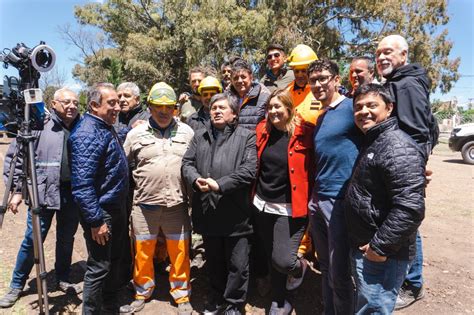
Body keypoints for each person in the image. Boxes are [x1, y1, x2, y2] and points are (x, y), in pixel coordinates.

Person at [345, 83, 426, 314]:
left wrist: (380, 248)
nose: (364, 112)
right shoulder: (374, 141)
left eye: (372, 105)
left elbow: (410, 208)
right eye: (358, 107)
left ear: (389, 108)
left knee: (374, 309)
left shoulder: (397, 145)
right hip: (368, 247)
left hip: (382, 254)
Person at [0, 88, 81, 308]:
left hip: (72, 195)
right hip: (42, 193)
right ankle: (16, 285)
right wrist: (16, 191)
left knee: (66, 239)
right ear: (53, 103)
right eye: (66, 102)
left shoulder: (83, 127)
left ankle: (62, 277)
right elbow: (16, 160)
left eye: (75, 102)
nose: (72, 106)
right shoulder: (37, 126)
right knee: (32, 239)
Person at [120, 82, 194, 314]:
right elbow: (122, 166)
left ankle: (181, 296)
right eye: (158, 106)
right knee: (142, 253)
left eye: (168, 107)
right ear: (149, 107)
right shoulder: (135, 133)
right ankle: (142, 292)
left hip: (177, 206)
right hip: (144, 206)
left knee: (180, 253)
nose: (163, 112)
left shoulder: (187, 132)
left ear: (175, 109)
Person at [376, 34, 438, 309]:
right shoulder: (396, 83)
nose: (382, 57)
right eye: (378, 53)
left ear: (403, 55)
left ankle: (412, 284)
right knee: (401, 222)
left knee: (407, 224)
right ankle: (405, 278)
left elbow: (417, 132)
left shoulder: (407, 84)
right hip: (398, 167)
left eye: (388, 52)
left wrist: (413, 169)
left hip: (403, 170)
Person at [182, 93, 257, 315]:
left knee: (237, 264)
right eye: (214, 107)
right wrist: (195, 179)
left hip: (236, 214)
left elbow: (248, 170)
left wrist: (220, 184)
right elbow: (187, 163)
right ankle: (216, 299)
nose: (216, 111)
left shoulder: (246, 137)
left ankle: (234, 304)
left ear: (234, 114)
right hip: (207, 211)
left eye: (222, 108)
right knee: (214, 262)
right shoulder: (200, 136)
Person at [69, 83, 129, 314]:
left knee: (113, 259)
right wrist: (96, 221)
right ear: (94, 106)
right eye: (111, 103)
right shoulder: (87, 133)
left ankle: (110, 304)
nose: (118, 107)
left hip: (115, 206)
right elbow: (82, 186)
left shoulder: (104, 127)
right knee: (99, 266)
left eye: (118, 102)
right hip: (101, 211)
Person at [308, 59, 361, 314]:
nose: (317, 84)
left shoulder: (352, 109)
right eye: (313, 81)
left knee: (339, 270)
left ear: (337, 80)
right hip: (317, 198)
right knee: (325, 266)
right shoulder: (322, 116)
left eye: (323, 78)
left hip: (339, 200)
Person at [253, 89, 314, 314]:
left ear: (289, 108)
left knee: (284, 260)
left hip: (290, 208)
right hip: (261, 204)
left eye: (278, 106)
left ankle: (300, 267)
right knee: (272, 256)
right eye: (270, 107)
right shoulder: (262, 130)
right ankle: (279, 301)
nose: (273, 111)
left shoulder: (306, 132)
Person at [229, 59, 271, 130]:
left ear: (251, 77)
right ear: (231, 81)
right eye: (236, 78)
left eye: (243, 77)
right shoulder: (226, 99)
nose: (239, 81)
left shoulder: (264, 98)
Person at [286, 44, 322, 125]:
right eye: (297, 71)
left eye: (303, 71)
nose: (300, 75)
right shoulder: (287, 92)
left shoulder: (321, 89)